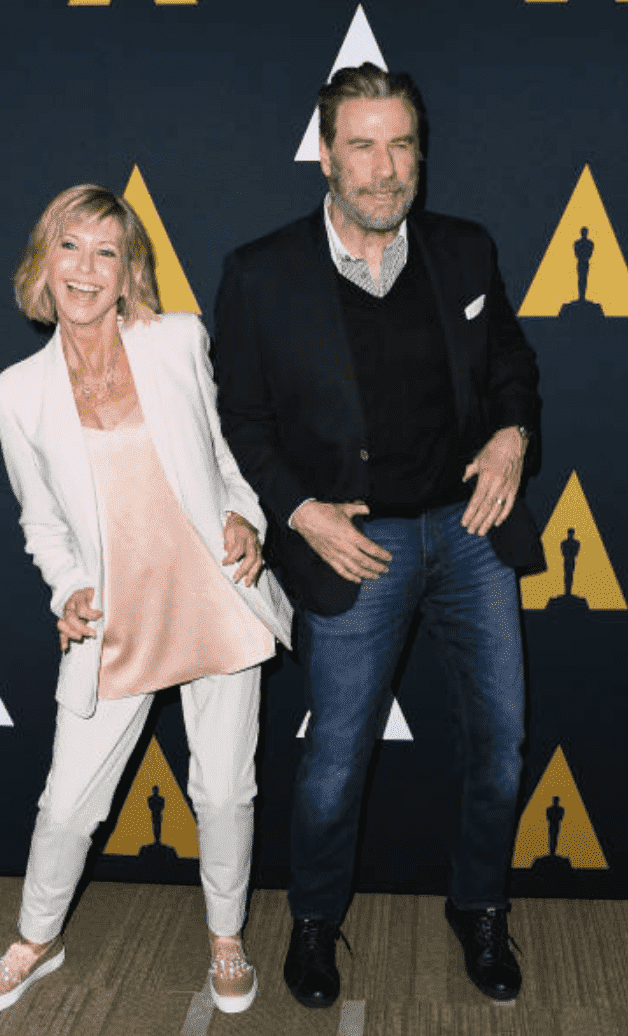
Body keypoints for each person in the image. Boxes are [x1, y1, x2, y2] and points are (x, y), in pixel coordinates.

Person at [214, 63, 544, 1008]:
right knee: (334, 762)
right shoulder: (261, 272)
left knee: (502, 743)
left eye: (401, 144)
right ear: (326, 154)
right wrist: (301, 511)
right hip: (355, 548)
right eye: (361, 145)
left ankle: (479, 906)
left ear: (420, 153)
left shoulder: (466, 250)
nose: (384, 168)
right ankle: (315, 921)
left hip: (471, 533)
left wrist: (512, 437)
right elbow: (241, 418)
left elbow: (514, 362)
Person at [0, 184, 292, 1017]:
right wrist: (69, 589)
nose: (86, 268)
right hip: (116, 622)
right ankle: (34, 941)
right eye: (70, 247)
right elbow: (42, 524)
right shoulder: (16, 392)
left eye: (106, 252)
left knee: (223, 792)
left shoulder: (178, 340)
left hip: (215, 596)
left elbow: (226, 462)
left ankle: (226, 940)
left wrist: (246, 521)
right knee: (68, 802)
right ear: (44, 262)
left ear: (128, 271)